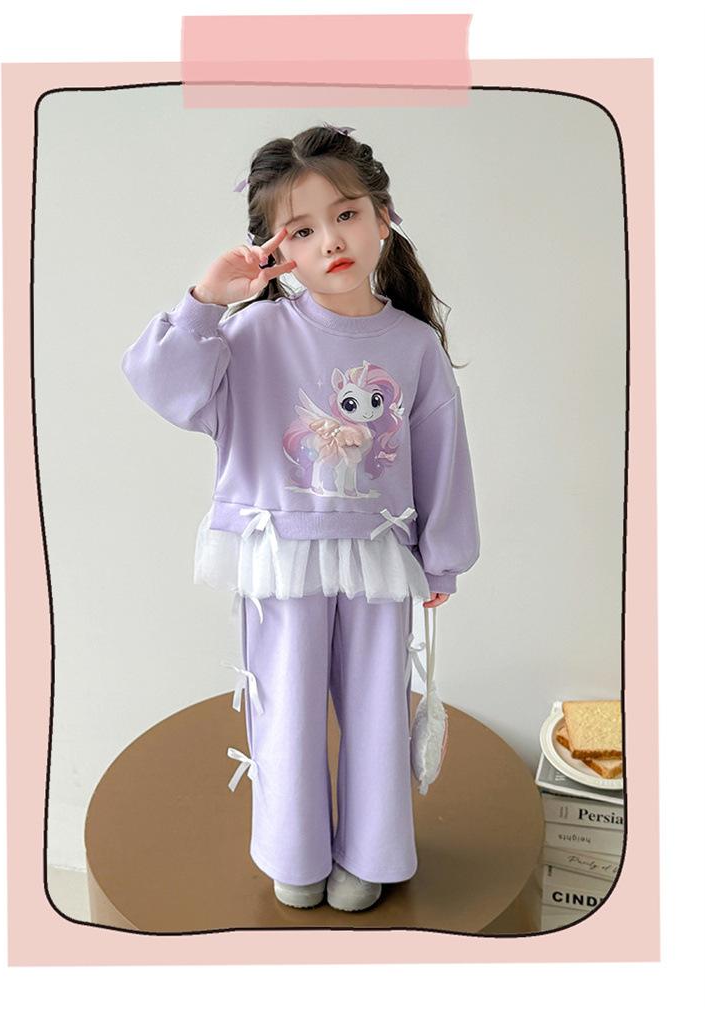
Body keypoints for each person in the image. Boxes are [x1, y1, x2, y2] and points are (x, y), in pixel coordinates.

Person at [121, 123, 480, 913]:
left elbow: (442, 454)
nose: (332, 241)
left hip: (377, 557)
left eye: (346, 214)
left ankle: (373, 853)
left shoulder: (414, 345)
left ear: (383, 216)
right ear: (275, 251)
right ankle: (294, 851)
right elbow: (163, 386)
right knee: (284, 708)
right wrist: (206, 300)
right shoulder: (250, 332)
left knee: (378, 710)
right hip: (278, 554)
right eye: (303, 230)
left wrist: (443, 557)